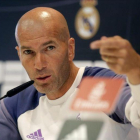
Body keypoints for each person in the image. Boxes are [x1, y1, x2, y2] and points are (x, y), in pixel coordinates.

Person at [0, 7, 140, 140]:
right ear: (19, 54)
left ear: (70, 49)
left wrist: (136, 72)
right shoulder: (15, 106)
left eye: (49, 48)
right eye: (28, 52)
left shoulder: (100, 86)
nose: (39, 65)